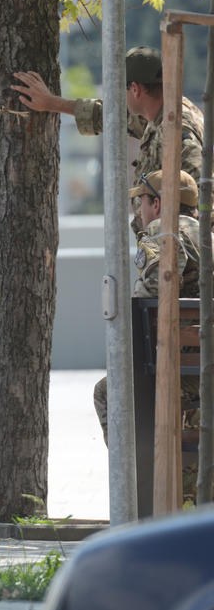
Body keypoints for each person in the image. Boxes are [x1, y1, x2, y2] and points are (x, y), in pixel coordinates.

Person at [93, 170, 206, 501]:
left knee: (109, 391)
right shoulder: (207, 233)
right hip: (202, 360)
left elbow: (153, 290)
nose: (138, 210)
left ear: (157, 203)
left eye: (140, 201)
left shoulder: (163, 229)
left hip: (179, 366)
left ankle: (135, 484)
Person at [12, 46, 203, 231]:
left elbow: (198, 201)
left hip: (179, 254)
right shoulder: (161, 112)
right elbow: (111, 115)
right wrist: (51, 103)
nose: (120, 99)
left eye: (122, 91)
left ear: (135, 89)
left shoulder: (177, 131)